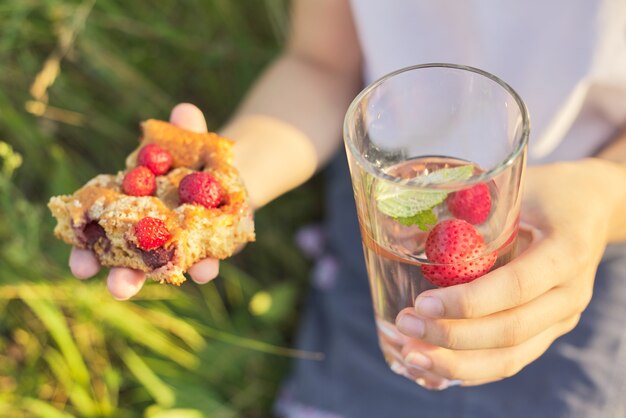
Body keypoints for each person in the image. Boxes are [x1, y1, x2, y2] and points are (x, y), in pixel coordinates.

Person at [70, 0, 626, 416]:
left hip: (585, 223)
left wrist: (603, 193)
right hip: (384, 206)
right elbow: (320, 63)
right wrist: (224, 191)